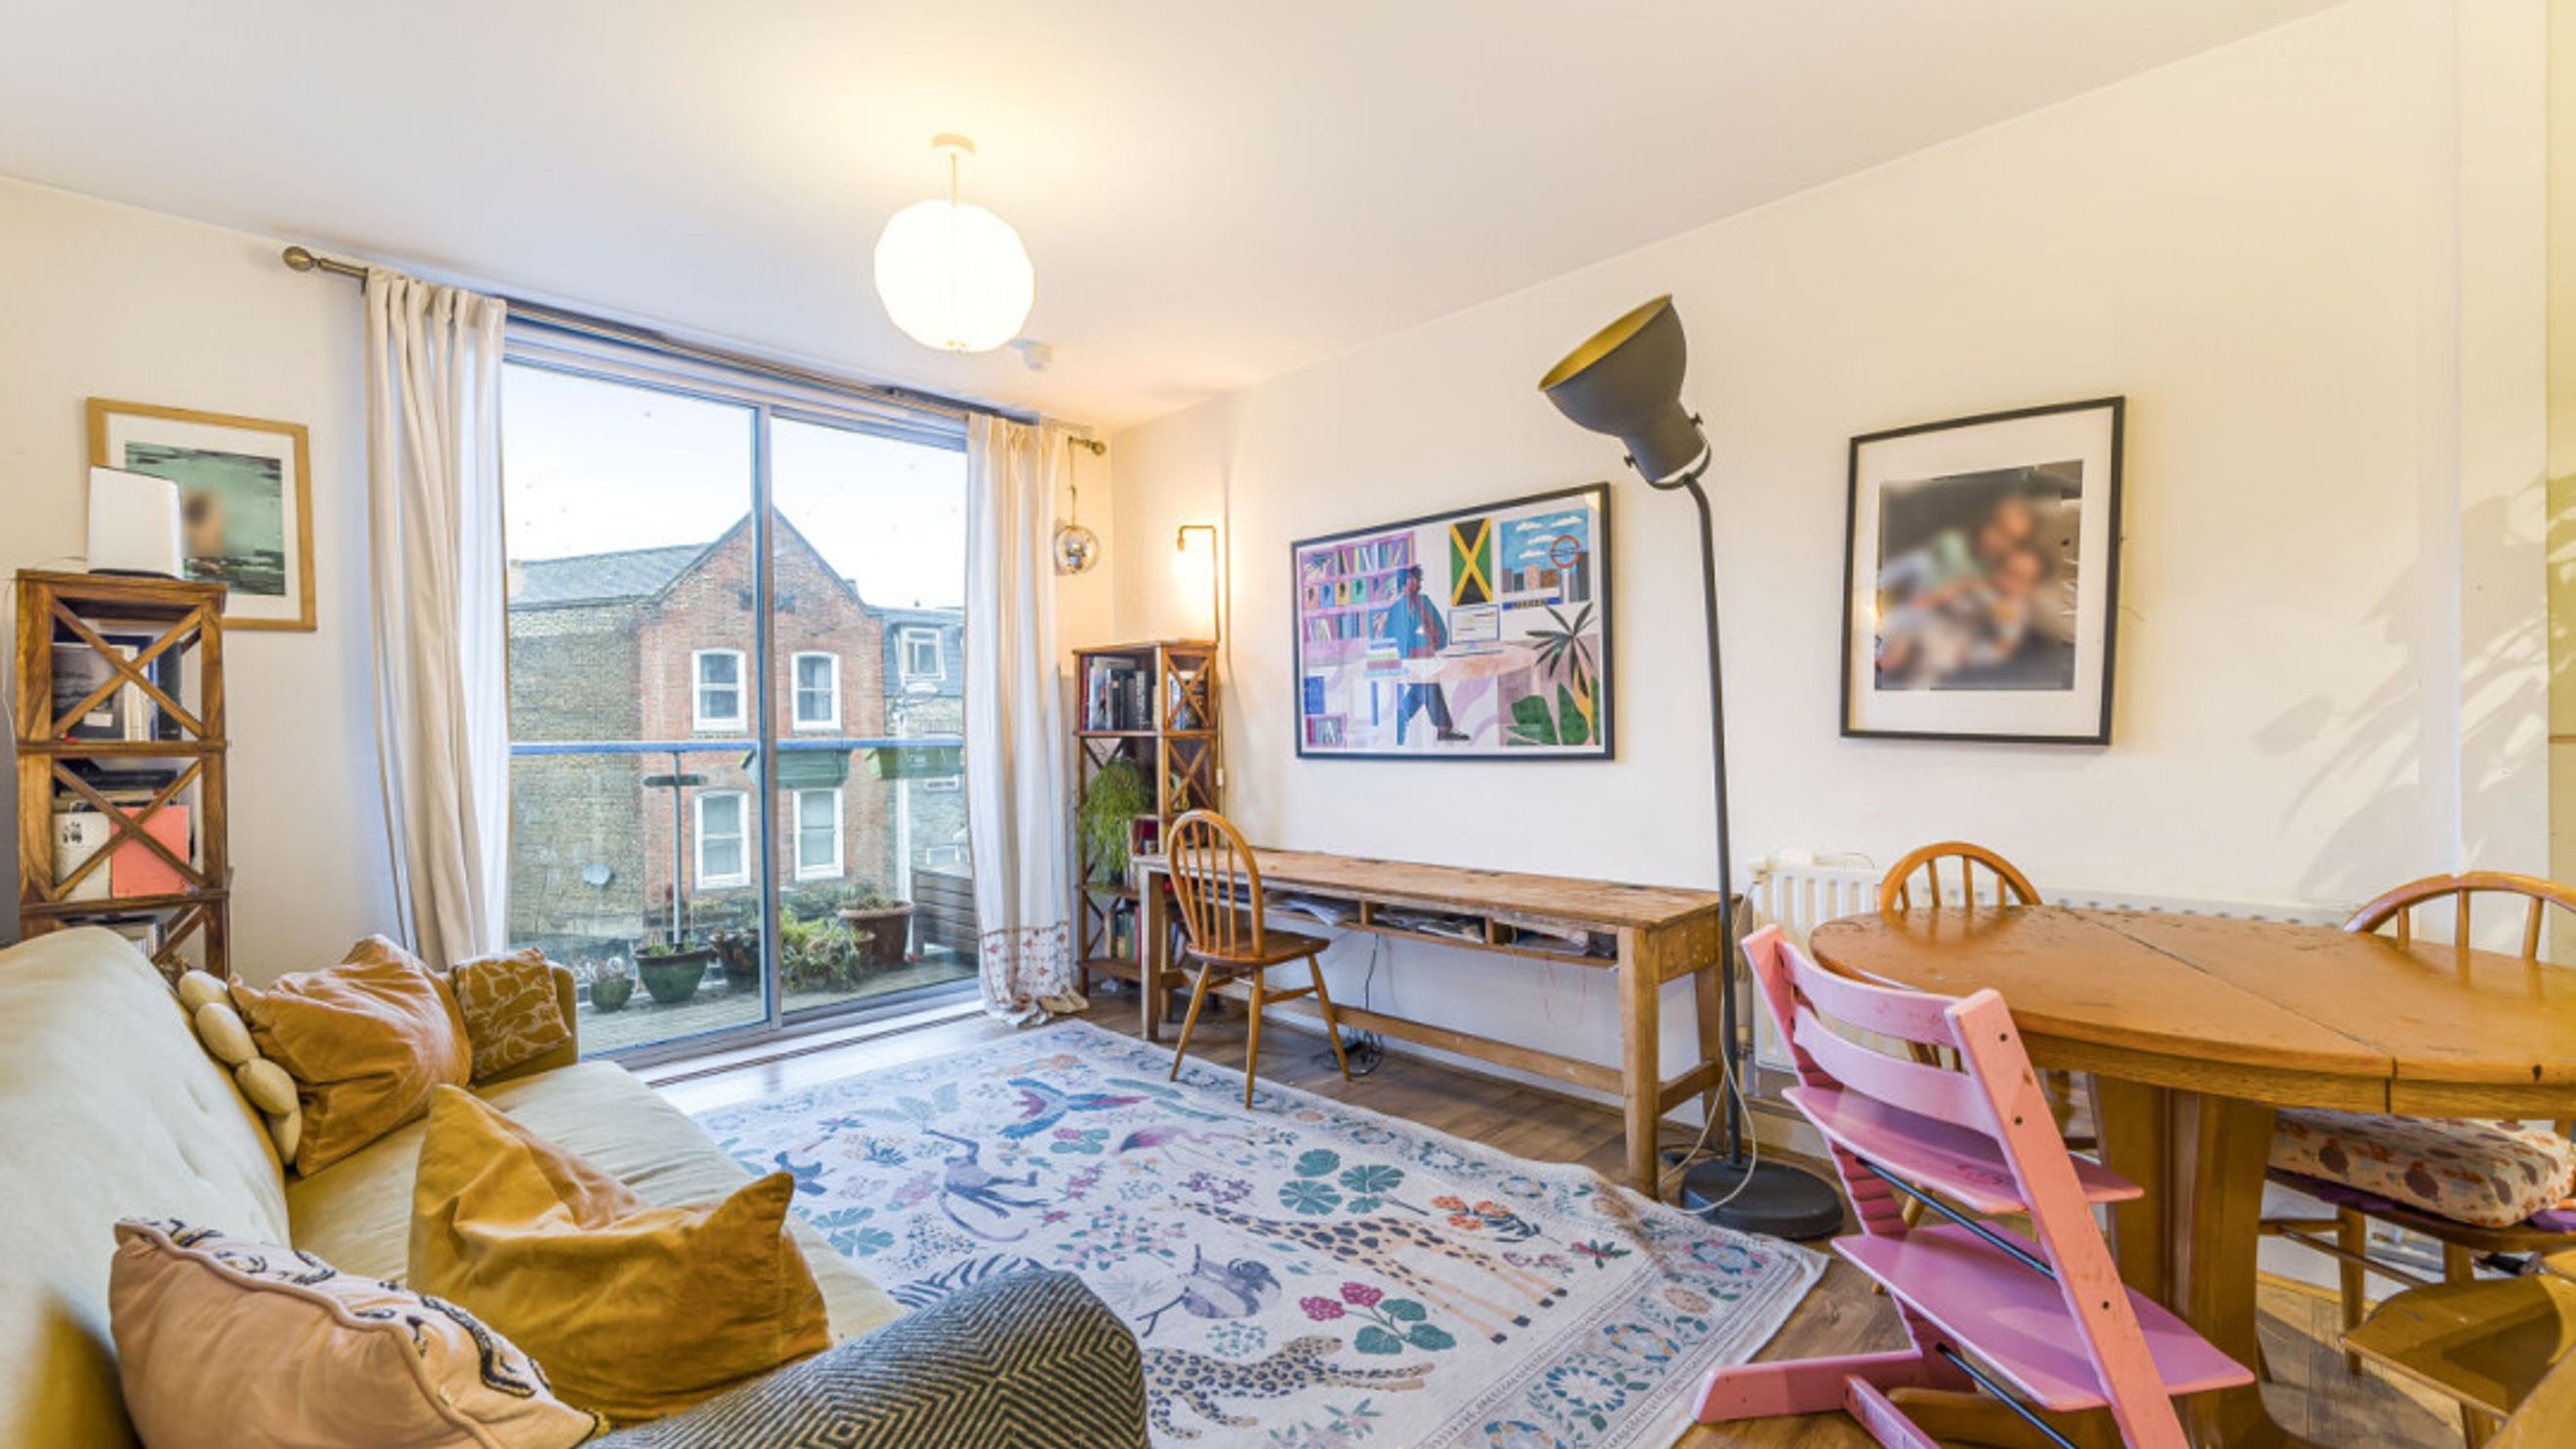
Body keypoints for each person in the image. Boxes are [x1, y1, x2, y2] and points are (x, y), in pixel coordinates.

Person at [1378, 565, 1468, 744]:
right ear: (1402, 583)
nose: (1412, 583)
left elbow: (1438, 627)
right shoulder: (1396, 608)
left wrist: (1435, 642)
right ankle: (1441, 728)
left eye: (1415, 579)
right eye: (1408, 580)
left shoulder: (1424, 602)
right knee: (1428, 686)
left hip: (1425, 656)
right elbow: (1390, 636)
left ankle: (1408, 717)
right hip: (1407, 659)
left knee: (1426, 687)